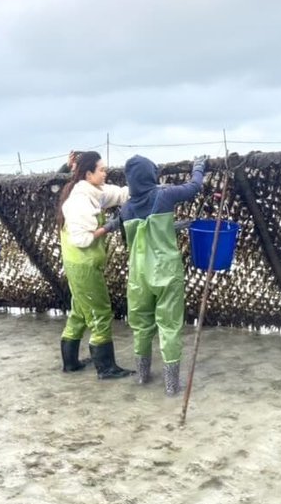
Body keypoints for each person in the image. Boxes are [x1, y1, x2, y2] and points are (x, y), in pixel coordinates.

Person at [120, 154, 207, 396]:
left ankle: (143, 378)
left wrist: (175, 225)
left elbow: (141, 233)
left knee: (141, 325)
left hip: (138, 276)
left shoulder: (126, 208)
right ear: (150, 175)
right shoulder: (163, 195)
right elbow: (194, 187)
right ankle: (171, 387)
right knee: (169, 326)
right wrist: (198, 168)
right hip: (166, 272)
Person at [57, 151, 135, 379]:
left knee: (80, 313)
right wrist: (110, 226)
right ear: (89, 173)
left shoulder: (92, 191)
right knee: (100, 312)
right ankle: (106, 368)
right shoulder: (80, 200)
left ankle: (70, 364)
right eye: (101, 169)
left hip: (78, 265)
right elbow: (81, 239)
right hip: (83, 266)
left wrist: (150, 189)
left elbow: (120, 194)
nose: (105, 172)